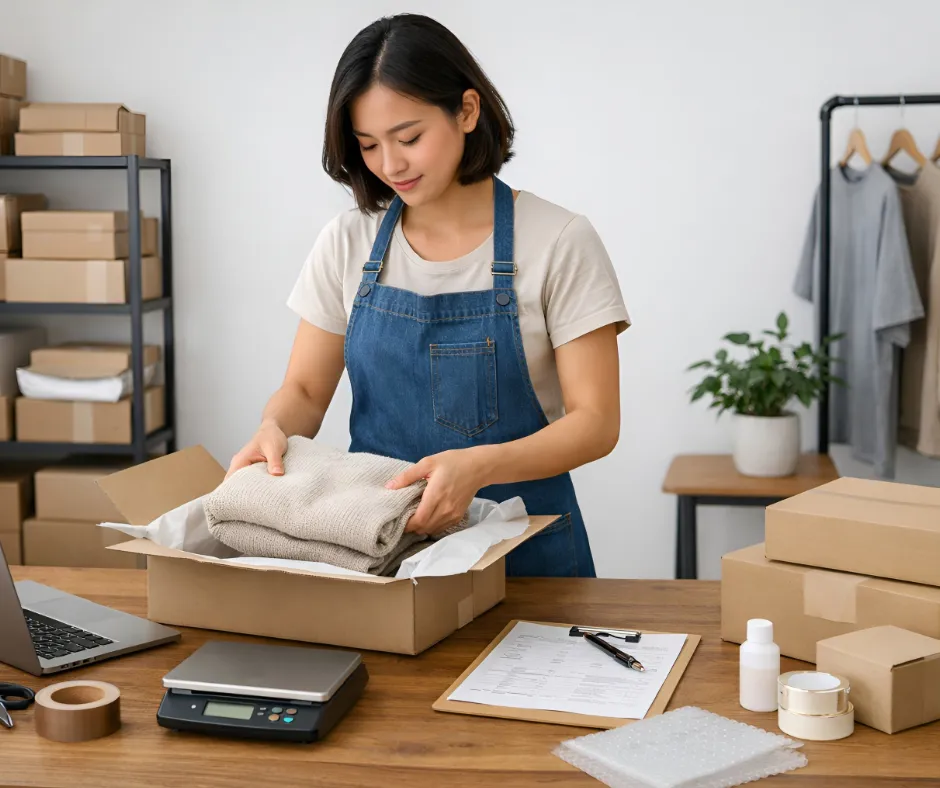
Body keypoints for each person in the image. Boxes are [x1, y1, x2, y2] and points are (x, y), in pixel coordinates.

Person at [227, 13, 630, 578]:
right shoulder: (349, 240)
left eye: (409, 137)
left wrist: (480, 468)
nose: (390, 165)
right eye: (368, 145)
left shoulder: (558, 241)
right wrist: (274, 428)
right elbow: (303, 390)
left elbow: (596, 421)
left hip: (524, 555)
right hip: (382, 549)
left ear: (467, 111)